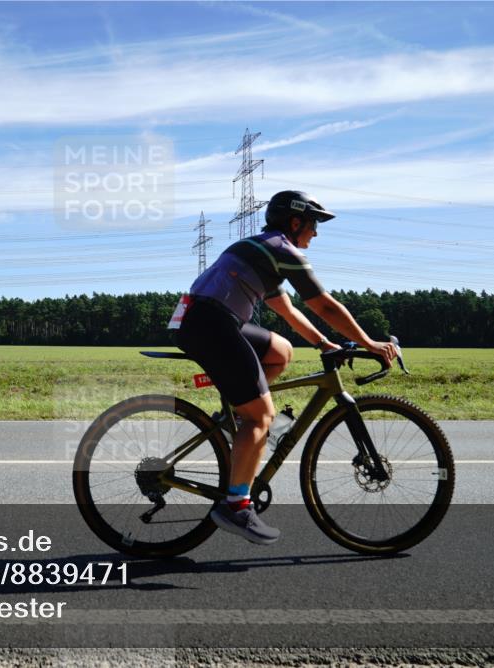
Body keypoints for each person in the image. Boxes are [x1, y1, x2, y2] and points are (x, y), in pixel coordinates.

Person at [170, 190, 397, 544]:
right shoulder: (280, 249)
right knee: (262, 415)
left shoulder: (263, 250)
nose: (315, 234)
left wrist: (325, 344)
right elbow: (323, 304)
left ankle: (240, 418)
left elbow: (289, 313)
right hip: (209, 321)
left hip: (207, 317)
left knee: (281, 351)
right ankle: (236, 505)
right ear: (295, 222)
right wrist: (369, 342)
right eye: (313, 225)